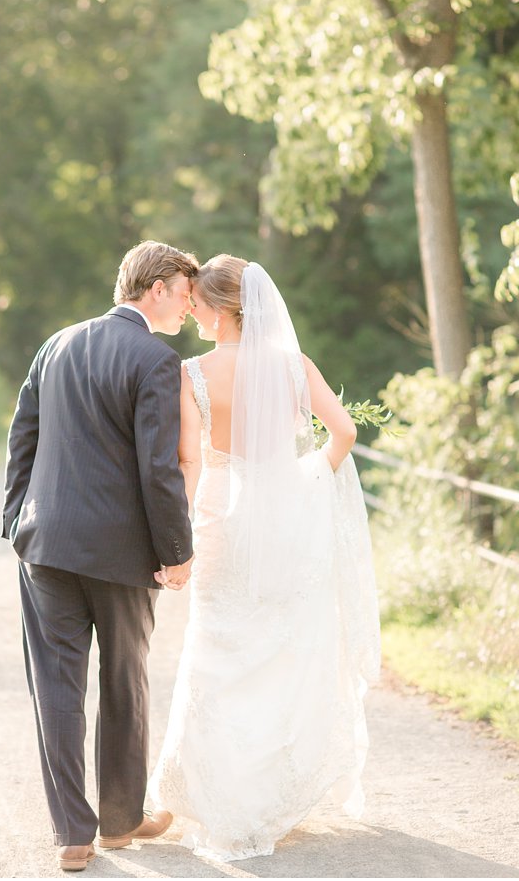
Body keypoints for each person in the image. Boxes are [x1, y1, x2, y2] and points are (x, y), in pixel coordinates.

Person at [151, 255, 381, 862]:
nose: (191, 308)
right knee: (277, 645)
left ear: (224, 308)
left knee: (216, 646)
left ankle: (209, 793)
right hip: (286, 514)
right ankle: (263, 793)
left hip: (220, 512)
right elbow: (346, 434)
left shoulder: (192, 373)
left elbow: (189, 460)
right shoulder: (293, 367)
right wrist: (306, 483)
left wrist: (177, 537)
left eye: (198, 300)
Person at [3, 240, 198, 873]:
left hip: (46, 548)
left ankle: (73, 834)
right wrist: (176, 552)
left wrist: (15, 520)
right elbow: (159, 470)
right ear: (156, 287)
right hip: (122, 557)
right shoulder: (155, 359)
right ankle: (120, 821)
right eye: (185, 293)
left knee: (55, 689)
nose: (190, 308)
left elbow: (22, 437)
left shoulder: (54, 344)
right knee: (124, 684)